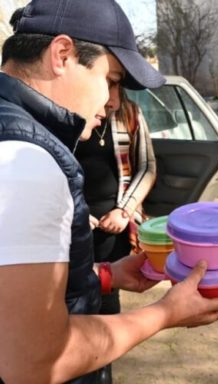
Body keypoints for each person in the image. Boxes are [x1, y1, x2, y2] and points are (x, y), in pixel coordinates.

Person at [0, 0, 218, 383]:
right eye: (111, 80)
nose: (113, 101)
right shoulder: (18, 162)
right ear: (62, 54)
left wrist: (105, 276)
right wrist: (165, 313)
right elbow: (38, 361)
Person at [75, 88, 157, 382]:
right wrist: (73, 213)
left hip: (115, 226)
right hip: (74, 225)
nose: (111, 98)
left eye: (116, 85)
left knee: (108, 298)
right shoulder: (71, 111)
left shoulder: (130, 113)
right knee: (73, 298)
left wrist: (124, 211)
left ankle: (103, 369)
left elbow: (147, 167)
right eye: (106, 82)